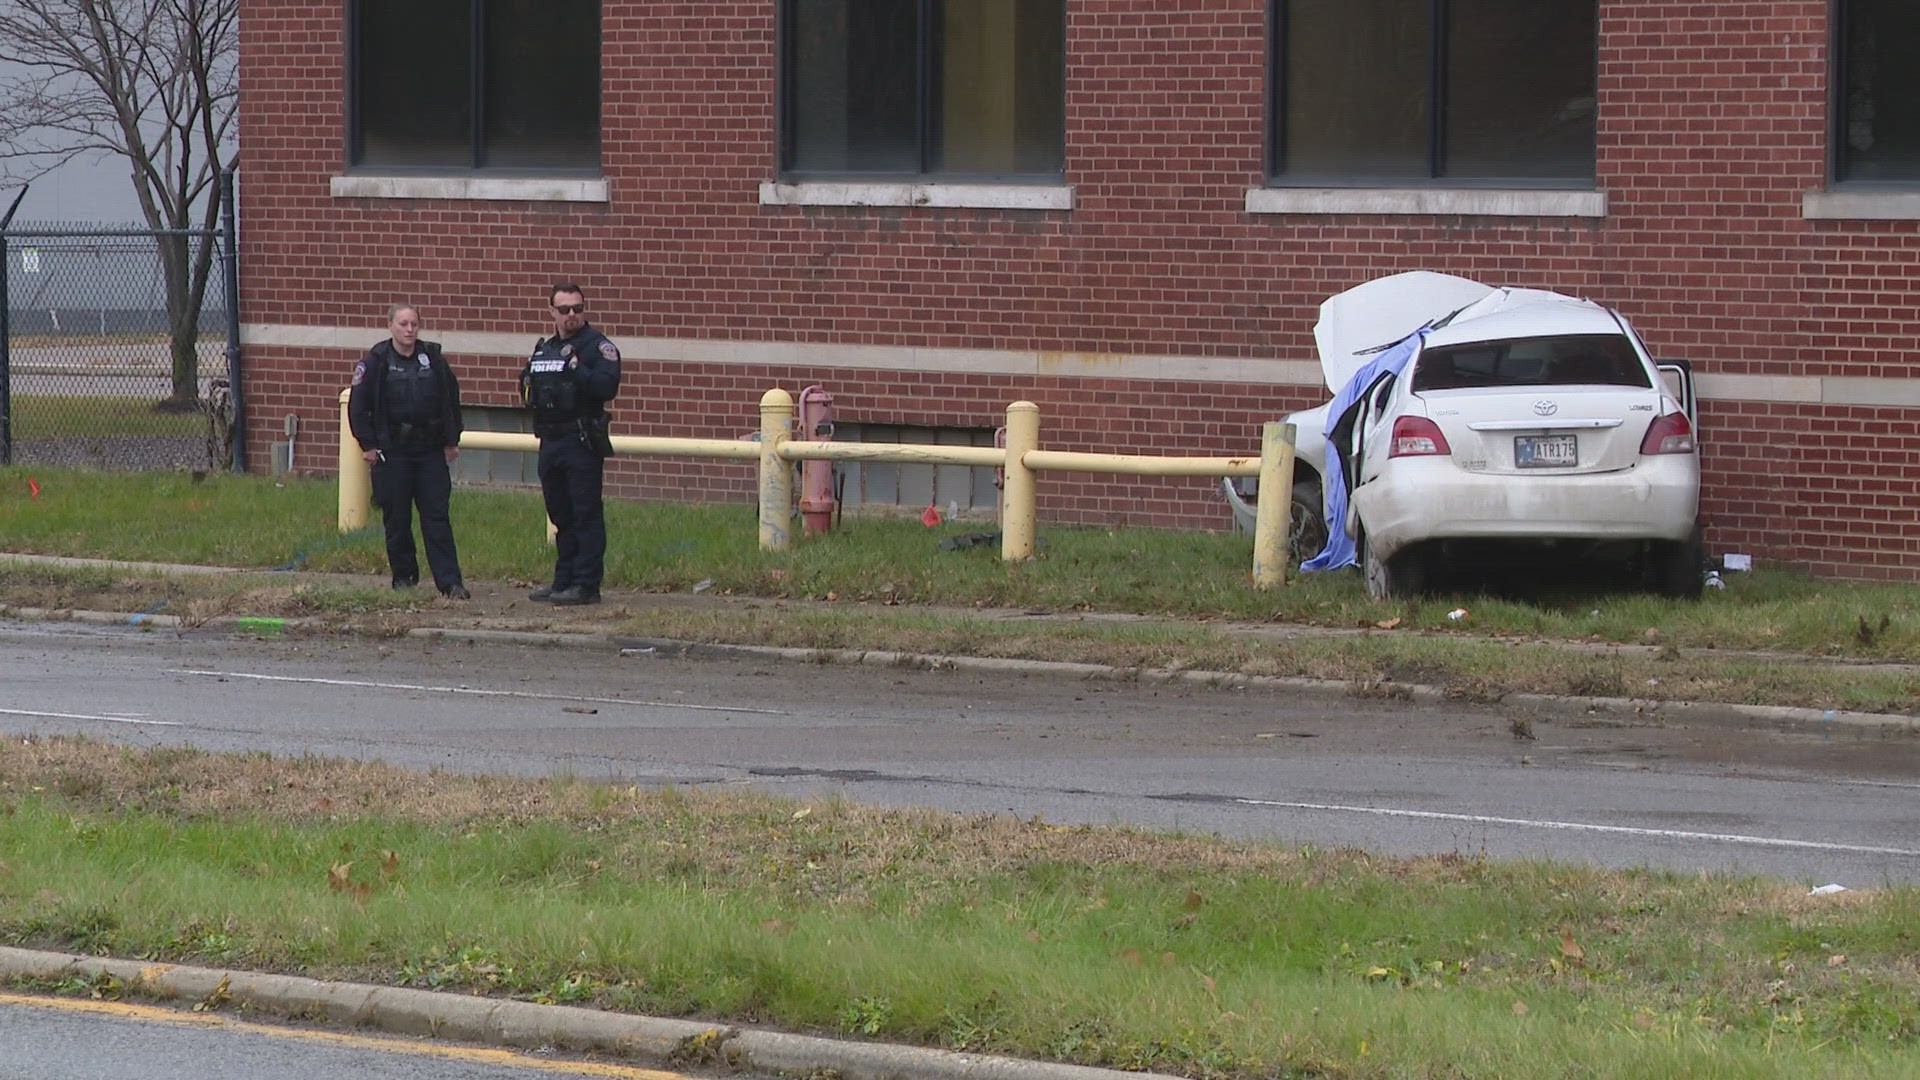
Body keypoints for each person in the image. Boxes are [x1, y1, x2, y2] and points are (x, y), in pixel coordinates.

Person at [348, 304, 470, 599]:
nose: (409, 329)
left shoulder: (434, 360)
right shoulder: (376, 362)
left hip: (429, 451)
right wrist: (369, 445)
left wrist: (451, 440)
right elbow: (358, 406)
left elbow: (451, 399)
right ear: (390, 325)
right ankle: (404, 579)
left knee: (437, 518)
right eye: (403, 323)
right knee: (397, 519)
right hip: (393, 452)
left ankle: (450, 583)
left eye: (414, 324)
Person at [521, 282, 622, 605]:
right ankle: (563, 580)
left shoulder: (597, 346)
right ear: (552, 312)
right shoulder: (545, 349)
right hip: (550, 440)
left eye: (577, 309)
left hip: (581, 441)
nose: (572, 315)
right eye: (564, 310)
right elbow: (527, 389)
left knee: (585, 513)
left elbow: (607, 386)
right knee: (560, 514)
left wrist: (577, 369)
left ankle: (586, 584)